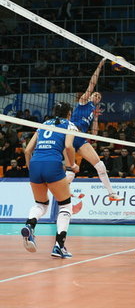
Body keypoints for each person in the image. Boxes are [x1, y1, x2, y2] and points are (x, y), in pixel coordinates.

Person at [21, 102, 79, 258]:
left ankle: (30, 225)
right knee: (65, 206)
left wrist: (32, 169)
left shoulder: (44, 124)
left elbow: (27, 150)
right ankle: (59, 246)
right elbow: (69, 146)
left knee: (41, 204)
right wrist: (72, 165)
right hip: (52, 164)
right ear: (69, 114)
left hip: (35, 164)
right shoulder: (69, 125)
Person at [67, 58, 121, 201]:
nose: (97, 96)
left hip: (81, 139)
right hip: (70, 135)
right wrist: (100, 65)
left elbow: (95, 134)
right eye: (96, 95)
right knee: (71, 169)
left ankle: (111, 194)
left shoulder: (92, 111)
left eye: (99, 97)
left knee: (100, 165)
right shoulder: (83, 101)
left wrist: (96, 118)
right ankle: (64, 192)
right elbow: (92, 84)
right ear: (90, 95)